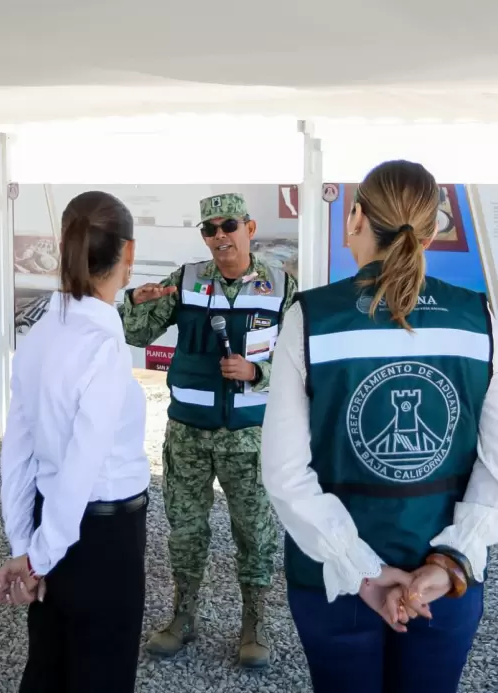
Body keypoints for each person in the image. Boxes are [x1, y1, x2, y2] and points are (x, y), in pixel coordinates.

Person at [261, 160, 498, 693]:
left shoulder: (311, 317)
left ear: (354, 218)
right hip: (443, 585)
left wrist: (362, 569)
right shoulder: (478, 318)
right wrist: (448, 563)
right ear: (433, 232)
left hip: (333, 583)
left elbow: (286, 474)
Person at [120, 192, 296, 667]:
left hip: (249, 438)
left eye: (228, 225)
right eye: (209, 229)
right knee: (186, 530)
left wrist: (259, 373)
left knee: (255, 534)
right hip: (189, 435)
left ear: (249, 227)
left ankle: (253, 623)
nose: (220, 236)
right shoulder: (188, 280)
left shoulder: (282, 286)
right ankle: (183, 618)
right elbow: (135, 333)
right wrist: (132, 300)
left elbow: (304, 362)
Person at [0, 190, 150, 693]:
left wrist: (28, 544)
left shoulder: (40, 334)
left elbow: (18, 449)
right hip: (100, 537)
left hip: (50, 527)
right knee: (100, 673)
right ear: (128, 252)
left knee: (49, 668)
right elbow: (83, 462)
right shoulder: (103, 344)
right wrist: (36, 556)